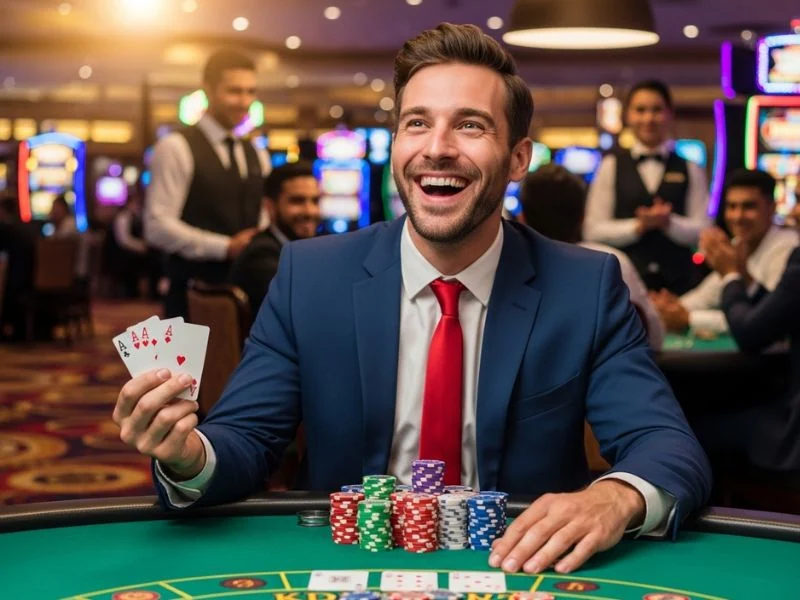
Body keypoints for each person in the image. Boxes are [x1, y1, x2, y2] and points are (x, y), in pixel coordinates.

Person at [113, 24, 710, 575]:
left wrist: (615, 496)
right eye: (416, 123)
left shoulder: (583, 286)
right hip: (345, 568)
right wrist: (190, 456)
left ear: (518, 159)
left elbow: (667, 445)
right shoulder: (310, 276)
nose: (438, 148)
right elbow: (245, 438)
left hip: (518, 568)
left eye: (470, 125)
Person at [144, 50, 271, 318]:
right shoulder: (176, 147)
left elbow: (260, 217)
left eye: (251, 92)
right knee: (193, 363)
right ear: (208, 90)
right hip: (192, 296)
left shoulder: (256, 152)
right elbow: (156, 226)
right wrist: (225, 247)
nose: (244, 101)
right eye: (235, 91)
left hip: (246, 296)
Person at [694, 212, 800, 471]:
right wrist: (744, 278)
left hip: (793, 440)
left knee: (688, 427)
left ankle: (719, 510)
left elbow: (750, 334)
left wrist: (731, 275)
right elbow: (779, 313)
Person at [518, 164, 664, 350]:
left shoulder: (506, 268)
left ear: (522, 219)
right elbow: (654, 338)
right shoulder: (613, 263)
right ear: (583, 217)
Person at [584, 80, 710, 295]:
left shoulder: (691, 169)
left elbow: (703, 231)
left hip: (680, 288)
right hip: (622, 285)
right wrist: (638, 227)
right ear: (628, 116)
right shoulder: (610, 166)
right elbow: (593, 230)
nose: (648, 118)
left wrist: (669, 223)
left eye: (657, 110)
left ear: (670, 114)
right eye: (640, 110)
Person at [651, 169, 798, 334]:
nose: (738, 216)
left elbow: (765, 320)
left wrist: (689, 318)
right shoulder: (738, 244)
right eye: (732, 206)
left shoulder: (789, 249)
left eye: (749, 206)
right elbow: (707, 295)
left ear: (772, 207)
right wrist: (670, 307)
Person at [229, 161, 321, 314]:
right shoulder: (260, 255)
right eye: (297, 201)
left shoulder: (306, 249)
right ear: (270, 207)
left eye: (315, 201)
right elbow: (309, 308)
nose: (309, 211)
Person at [108, 191, 162, 299]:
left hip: (131, 252)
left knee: (156, 258)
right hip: (120, 255)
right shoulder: (123, 217)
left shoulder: (137, 217)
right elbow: (124, 241)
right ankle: (144, 293)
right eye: (135, 203)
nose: (137, 206)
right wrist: (141, 247)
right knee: (152, 259)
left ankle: (154, 292)